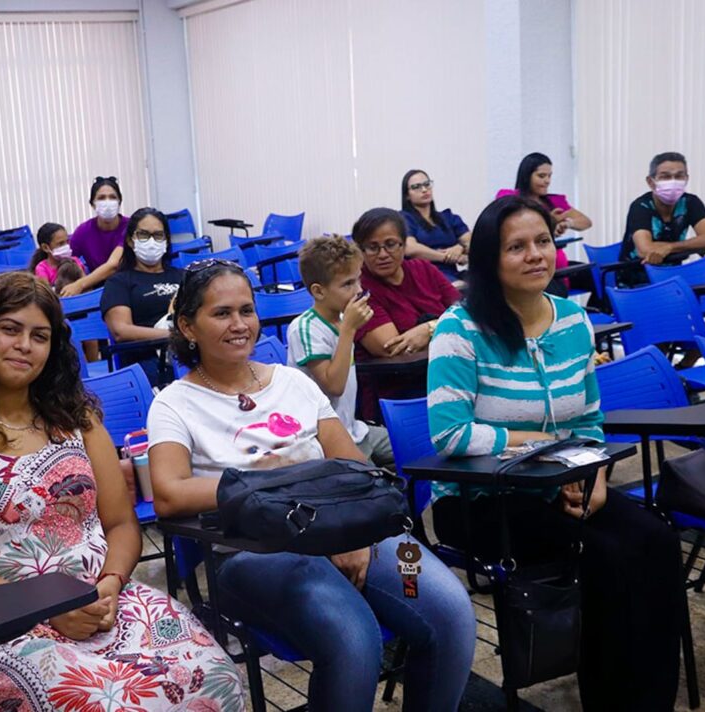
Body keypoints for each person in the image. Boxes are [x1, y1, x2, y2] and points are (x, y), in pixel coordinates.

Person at [0, 272, 243, 710]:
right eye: (10, 329)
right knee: (101, 704)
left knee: (215, 675)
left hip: (102, 601)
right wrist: (46, 609)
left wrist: (110, 584)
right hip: (2, 618)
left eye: (39, 336)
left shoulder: (77, 422)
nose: (25, 345)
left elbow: (121, 525)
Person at [148, 260, 476, 712]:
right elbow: (168, 494)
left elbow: (354, 465)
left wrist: (348, 530)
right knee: (353, 636)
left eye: (247, 310)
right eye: (221, 313)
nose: (240, 324)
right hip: (253, 550)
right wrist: (270, 478)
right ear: (187, 325)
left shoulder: (291, 383)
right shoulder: (174, 403)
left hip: (346, 529)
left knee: (452, 612)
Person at [427, 194, 685, 711]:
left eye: (542, 241)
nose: (535, 254)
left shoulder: (572, 322)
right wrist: (544, 445)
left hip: (564, 482)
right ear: (488, 261)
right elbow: (451, 436)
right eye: (516, 247)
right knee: (604, 556)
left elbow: (588, 420)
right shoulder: (460, 331)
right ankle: (612, 700)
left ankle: (650, 697)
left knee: (655, 541)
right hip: (480, 497)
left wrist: (598, 481)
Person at [287, 236, 394, 467]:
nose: (358, 291)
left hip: (356, 429)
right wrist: (349, 330)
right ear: (319, 291)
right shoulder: (305, 328)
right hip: (330, 441)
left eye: (358, 281)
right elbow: (334, 386)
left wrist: (348, 326)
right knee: (381, 489)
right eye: (347, 284)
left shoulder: (344, 318)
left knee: (421, 448)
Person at [352, 208, 461, 418]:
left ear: (404, 245)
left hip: (448, 378)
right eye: (372, 247)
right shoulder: (361, 290)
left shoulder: (422, 268)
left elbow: (466, 314)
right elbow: (392, 347)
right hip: (399, 397)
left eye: (391, 244)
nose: (383, 254)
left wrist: (429, 329)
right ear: (361, 251)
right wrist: (448, 327)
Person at [101, 207, 184, 387]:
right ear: (131, 241)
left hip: (187, 354)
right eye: (144, 235)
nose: (152, 241)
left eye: (158, 235)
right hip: (146, 362)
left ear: (167, 240)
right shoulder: (119, 282)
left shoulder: (183, 276)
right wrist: (172, 336)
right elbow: (121, 331)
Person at [496, 152, 593, 296]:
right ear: (526, 175)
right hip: (533, 265)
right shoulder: (509, 197)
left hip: (557, 262)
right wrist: (551, 221)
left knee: (596, 276)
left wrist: (567, 223)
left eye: (549, 176)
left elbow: (586, 222)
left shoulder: (554, 201)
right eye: (541, 176)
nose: (547, 181)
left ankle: (600, 313)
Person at [60, 176, 130, 296]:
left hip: (127, 286)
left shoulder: (131, 226)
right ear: (92, 204)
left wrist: (80, 284)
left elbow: (113, 265)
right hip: (96, 289)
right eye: (101, 198)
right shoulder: (83, 231)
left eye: (112, 197)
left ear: (119, 202)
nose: (107, 202)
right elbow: (67, 261)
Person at [400, 170, 471, 284]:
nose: (424, 190)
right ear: (407, 195)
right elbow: (410, 248)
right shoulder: (404, 218)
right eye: (416, 187)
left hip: (453, 273)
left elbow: (472, 241)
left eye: (427, 184)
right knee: (460, 288)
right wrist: (446, 257)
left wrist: (460, 247)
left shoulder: (449, 217)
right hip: (425, 276)